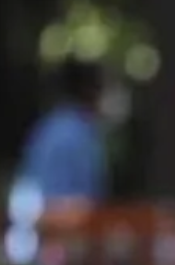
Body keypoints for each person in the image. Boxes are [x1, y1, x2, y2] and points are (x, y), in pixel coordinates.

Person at [15, 58, 108, 207]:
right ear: (90, 91)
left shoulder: (46, 127)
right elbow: (88, 199)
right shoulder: (80, 133)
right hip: (64, 217)